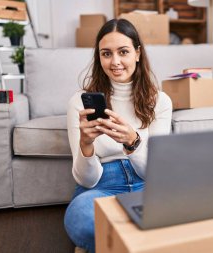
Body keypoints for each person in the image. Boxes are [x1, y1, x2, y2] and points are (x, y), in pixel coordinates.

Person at [64, 18, 172, 253]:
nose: (115, 62)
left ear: (137, 53)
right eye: (106, 53)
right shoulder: (79, 103)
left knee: (186, 214)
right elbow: (86, 180)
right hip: (100, 186)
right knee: (80, 219)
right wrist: (86, 144)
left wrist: (132, 142)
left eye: (123, 51)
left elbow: (155, 172)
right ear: (99, 57)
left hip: (147, 183)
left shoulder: (160, 102)